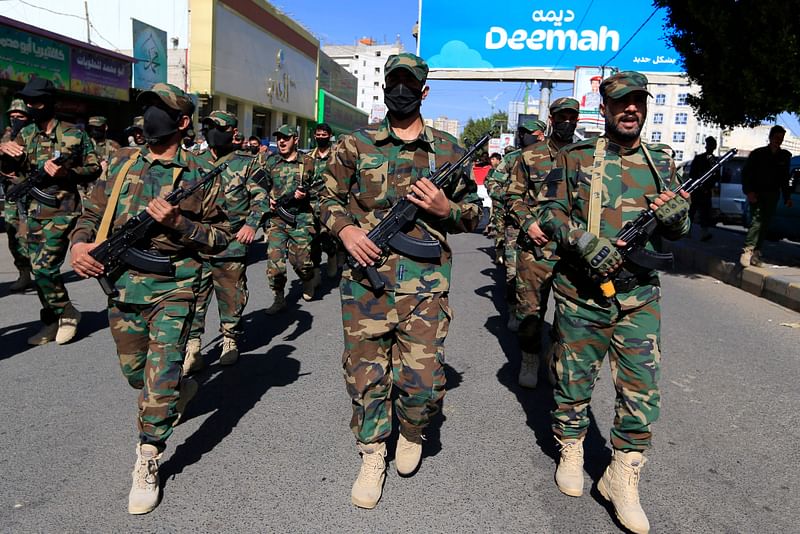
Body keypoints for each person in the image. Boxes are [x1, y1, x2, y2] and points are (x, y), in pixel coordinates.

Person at [319, 52, 481, 509]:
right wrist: (346, 229)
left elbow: (477, 215)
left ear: (424, 92)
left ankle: (411, 428)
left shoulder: (447, 150)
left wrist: (446, 210)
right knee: (365, 375)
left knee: (425, 381)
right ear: (384, 87)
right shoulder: (357, 144)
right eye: (394, 83)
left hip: (426, 288)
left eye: (411, 85)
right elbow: (323, 195)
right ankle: (372, 453)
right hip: (365, 285)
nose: (401, 91)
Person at [536, 71, 690, 534]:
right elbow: (549, 213)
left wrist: (679, 219)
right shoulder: (577, 157)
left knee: (642, 389)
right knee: (573, 381)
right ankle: (571, 447)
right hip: (582, 294)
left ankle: (622, 474)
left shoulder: (661, 161)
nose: (630, 110)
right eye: (621, 103)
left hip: (639, 294)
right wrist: (582, 240)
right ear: (603, 109)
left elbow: (675, 227)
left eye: (638, 102)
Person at [68, 83, 230, 515]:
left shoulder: (199, 171)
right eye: (147, 108)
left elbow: (222, 238)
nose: (151, 115)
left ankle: (148, 456)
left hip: (175, 285)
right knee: (135, 373)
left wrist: (180, 224)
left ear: (181, 122)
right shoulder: (121, 162)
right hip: (122, 285)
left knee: (159, 379)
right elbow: (89, 213)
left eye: (161, 109)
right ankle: (178, 390)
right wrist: (81, 245)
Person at [0, 77, 100, 345]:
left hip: (62, 210)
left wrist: (68, 173)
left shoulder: (74, 134)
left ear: (50, 103)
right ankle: (51, 320)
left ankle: (67, 312)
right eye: (28, 101)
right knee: (34, 267)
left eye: (37, 101)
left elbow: (95, 168)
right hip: (31, 210)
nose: (32, 106)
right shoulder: (25, 133)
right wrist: (4, 151)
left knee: (45, 267)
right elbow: (11, 172)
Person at [183, 110, 268, 373]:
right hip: (197, 241)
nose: (211, 132)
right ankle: (193, 344)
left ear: (232, 131)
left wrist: (251, 225)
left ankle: (229, 337)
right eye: (207, 127)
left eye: (217, 127)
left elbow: (261, 197)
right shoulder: (193, 161)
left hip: (230, 242)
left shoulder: (248, 163)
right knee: (193, 295)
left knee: (231, 295)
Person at [506, 97, 579, 388]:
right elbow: (512, 197)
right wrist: (528, 223)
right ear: (551, 118)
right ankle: (530, 358)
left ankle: (556, 359)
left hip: (572, 252)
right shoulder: (530, 156)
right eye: (561, 116)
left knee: (569, 316)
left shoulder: (587, 157)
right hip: (536, 250)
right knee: (530, 314)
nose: (567, 122)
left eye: (571, 117)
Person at [485, 118, 546, 328]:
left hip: (546, 227)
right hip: (515, 225)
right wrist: (512, 198)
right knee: (513, 272)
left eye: (528, 133)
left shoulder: (555, 156)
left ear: (541, 134)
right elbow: (492, 183)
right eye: (521, 132)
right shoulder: (513, 158)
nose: (523, 136)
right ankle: (514, 310)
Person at [262, 124, 320, 312]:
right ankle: (278, 297)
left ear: (295, 139)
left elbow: (321, 188)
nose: (281, 141)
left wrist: (306, 194)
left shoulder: (308, 162)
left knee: (302, 263)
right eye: (279, 138)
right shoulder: (270, 162)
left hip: (301, 219)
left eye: (285, 138)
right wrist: (267, 200)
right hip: (277, 220)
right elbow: (258, 187)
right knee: (275, 263)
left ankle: (308, 278)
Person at [739, 125, 793, 267]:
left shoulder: (784, 156)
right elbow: (746, 174)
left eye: (781, 139)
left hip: (773, 194)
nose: (778, 141)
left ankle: (756, 253)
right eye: (776, 137)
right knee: (757, 219)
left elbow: (784, 179)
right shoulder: (758, 154)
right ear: (770, 137)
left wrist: (787, 197)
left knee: (765, 223)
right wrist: (749, 191)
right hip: (757, 192)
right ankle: (747, 250)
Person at [1, 99, 33, 291]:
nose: (15, 120)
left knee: (35, 238)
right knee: (14, 236)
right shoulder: (6, 136)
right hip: (13, 195)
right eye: (12, 117)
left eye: (19, 117)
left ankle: (44, 274)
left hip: (33, 195)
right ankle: (24, 274)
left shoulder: (35, 135)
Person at [308, 122, 342, 278]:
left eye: (324, 135)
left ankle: (332, 254)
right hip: (310, 205)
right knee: (312, 240)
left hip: (330, 202)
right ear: (314, 136)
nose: (321, 137)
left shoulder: (337, 155)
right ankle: (315, 274)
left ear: (330, 136)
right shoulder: (308, 157)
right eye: (318, 135)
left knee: (328, 237)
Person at [688, 136, 719, 241]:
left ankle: (704, 233)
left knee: (705, 212)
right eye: (710, 145)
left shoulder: (714, 161)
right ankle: (687, 230)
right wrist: (700, 185)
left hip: (706, 191)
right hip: (697, 190)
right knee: (692, 211)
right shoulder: (699, 158)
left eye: (713, 145)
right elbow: (692, 174)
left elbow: (716, 176)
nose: (711, 147)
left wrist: (709, 187)